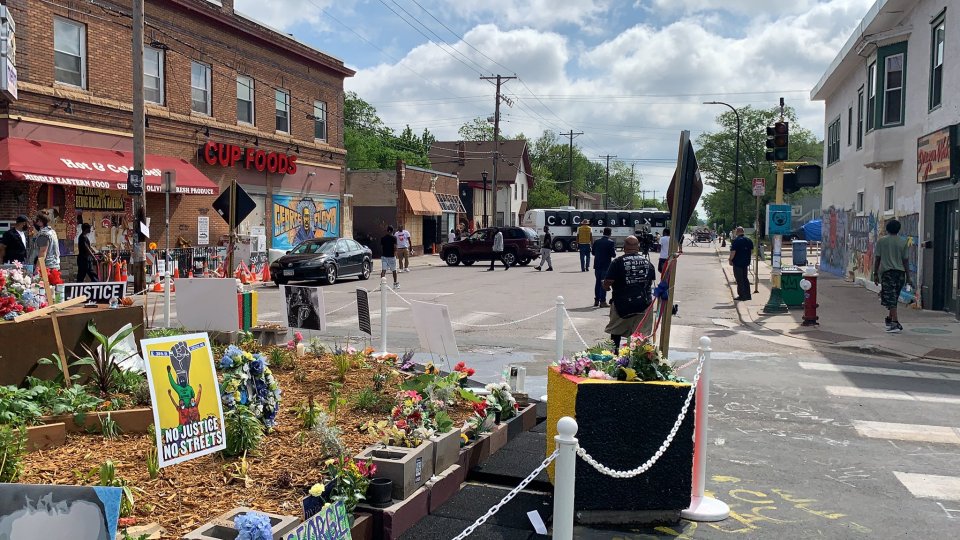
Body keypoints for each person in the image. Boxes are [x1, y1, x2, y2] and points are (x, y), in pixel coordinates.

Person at [602, 236, 656, 350]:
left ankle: (614, 358)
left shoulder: (617, 262)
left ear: (624, 247)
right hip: (644, 305)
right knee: (640, 337)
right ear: (638, 247)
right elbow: (650, 281)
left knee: (615, 332)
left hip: (622, 305)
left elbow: (609, 281)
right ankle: (636, 360)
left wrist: (605, 286)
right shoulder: (647, 263)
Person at [873, 219, 911, 334]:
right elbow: (905, 260)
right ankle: (890, 319)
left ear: (887, 229)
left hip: (888, 273)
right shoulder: (903, 242)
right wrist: (908, 276)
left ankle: (895, 322)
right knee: (894, 297)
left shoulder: (881, 242)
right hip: (900, 273)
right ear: (898, 229)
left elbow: (878, 259)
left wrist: (875, 273)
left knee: (890, 297)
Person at [592, 227, 617, 307]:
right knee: (604, 283)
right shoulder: (610, 242)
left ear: (603, 233)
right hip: (606, 265)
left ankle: (596, 300)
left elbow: (593, 253)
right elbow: (613, 255)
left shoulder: (597, 241)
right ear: (610, 234)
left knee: (598, 282)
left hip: (597, 265)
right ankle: (602, 301)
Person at [729, 227, 753, 300]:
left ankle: (742, 295)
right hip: (746, 262)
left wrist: (730, 259)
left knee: (739, 279)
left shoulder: (736, 241)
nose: (735, 232)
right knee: (745, 278)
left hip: (737, 262)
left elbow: (733, 252)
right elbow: (751, 251)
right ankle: (748, 295)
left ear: (738, 232)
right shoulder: (749, 240)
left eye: (736, 231)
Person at [380, 225, 399, 289]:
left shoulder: (383, 238)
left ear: (387, 231)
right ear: (392, 231)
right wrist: (395, 254)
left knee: (383, 270)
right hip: (391, 256)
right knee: (394, 270)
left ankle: (382, 285)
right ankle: (395, 284)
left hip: (384, 256)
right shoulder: (394, 238)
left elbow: (381, 247)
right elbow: (395, 247)